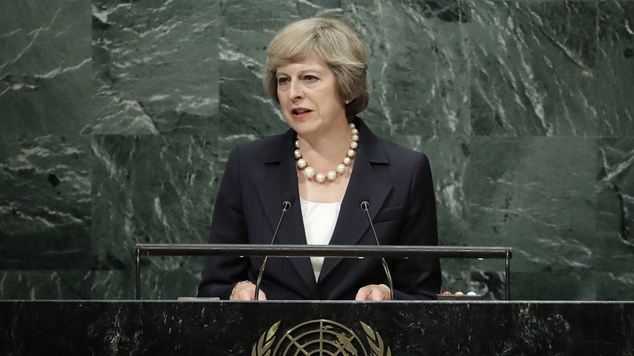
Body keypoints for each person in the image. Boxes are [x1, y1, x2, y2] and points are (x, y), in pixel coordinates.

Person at [197, 17, 440, 301]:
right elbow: (213, 287)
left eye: (309, 78)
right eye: (283, 80)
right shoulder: (247, 165)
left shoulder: (405, 171)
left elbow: (423, 296)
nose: (293, 93)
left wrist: (387, 294)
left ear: (347, 87)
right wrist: (237, 291)